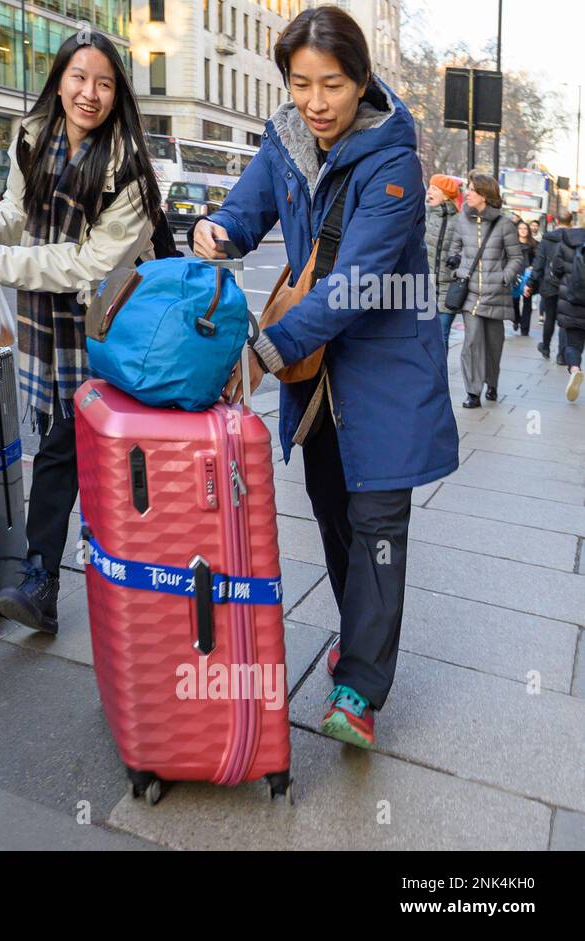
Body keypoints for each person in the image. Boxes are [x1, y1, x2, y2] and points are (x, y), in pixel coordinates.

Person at [190, 5, 458, 749]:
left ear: (362, 79)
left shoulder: (394, 161)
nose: (316, 102)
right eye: (302, 84)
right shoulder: (283, 142)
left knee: (378, 524)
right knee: (335, 514)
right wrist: (212, 230)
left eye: (332, 84)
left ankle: (361, 688)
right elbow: (243, 213)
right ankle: (357, 639)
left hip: (384, 373)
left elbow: (355, 283)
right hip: (319, 383)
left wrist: (264, 352)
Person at [0, 30, 178, 635]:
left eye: (105, 83)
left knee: (100, 455)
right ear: (59, 80)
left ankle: (97, 580)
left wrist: (1, 263)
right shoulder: (34, 137)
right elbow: (20, 212)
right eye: (79, 78)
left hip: (109, 326)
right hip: (48, 333)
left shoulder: (128, 169)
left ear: (118, 94)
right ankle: (47, 581)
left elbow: (89, 265)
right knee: (63, 443)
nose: (90, 93)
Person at [444, 173, 521, 407]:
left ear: (485, 195)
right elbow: (453, 251)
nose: (467, 193)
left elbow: (516, 258)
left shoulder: (504, 224)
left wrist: (503, 278)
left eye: (472, 189)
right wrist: (456, 268)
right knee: (471, 343)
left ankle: (492, 382)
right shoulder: (461, 220)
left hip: (496, 295)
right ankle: (473, 392)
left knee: (493, 345)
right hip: (470, 296)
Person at [528, 208, 580, 365]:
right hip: (568, 286)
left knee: (549, 317)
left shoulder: (547, 240)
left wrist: (531, 283)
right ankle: (562, 355)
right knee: (565, 321)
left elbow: (538, 263)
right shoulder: (575, 240)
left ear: (556, 221)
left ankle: (545, 347)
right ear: (571, 222)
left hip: (549, 284)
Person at [425, 174, 463, 349]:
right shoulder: (423, 215)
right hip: (423, 287)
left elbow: (466, 250)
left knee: (442, 335)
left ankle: (440, 374)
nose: (429, 191)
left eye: (434, 188)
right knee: (423, 336)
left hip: (449, 289)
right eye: (430, 187)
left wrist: (457, 259)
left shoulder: (460, 221)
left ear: (446, 195)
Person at [548, 223, 585, 400]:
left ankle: (575, 369)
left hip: (572, 302)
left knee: (573, 344)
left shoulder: (569, 239)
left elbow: (556, 269)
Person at [514, 220, 538, 336]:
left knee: (527, 301)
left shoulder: (534, 244)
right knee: (515, 300)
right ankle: (516, 319)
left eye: (525, 228)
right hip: (516, 274)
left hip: (529, 276)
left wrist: (533, 267)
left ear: (528, 230)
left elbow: (538, 260)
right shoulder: (513, 244)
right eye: (520, 228)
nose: (523, 230)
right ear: (517, 230)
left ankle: (525, 328)